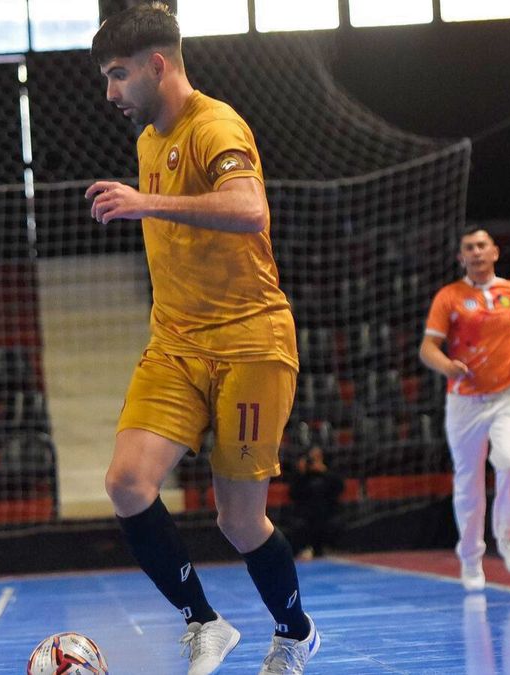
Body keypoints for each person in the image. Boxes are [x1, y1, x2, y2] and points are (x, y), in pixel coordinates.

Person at [85, 4, 318, 674]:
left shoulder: (215, 124)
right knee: (127, 481)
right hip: (176, 344)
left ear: (158, 65)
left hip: (250, 341)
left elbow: (250, 210)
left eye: (119, 75)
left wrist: (145, 202)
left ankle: (294, 631)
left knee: (239, 522)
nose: (111, 93)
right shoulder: (147, 139)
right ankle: (205, 623)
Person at [418, 227, 510, 592]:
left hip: (508, 394)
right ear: (461, 257)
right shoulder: (449, 297)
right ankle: (470, 557)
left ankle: (509, 535)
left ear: (495, 252)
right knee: (468, 482)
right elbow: (428, 349)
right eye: (469, 247)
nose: (476, 252)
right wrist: (447, 366)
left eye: (482, 246)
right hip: (464, 401)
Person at [286, 445, 345, 559]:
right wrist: (302, 473)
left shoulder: (329, 472)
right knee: (301, 523)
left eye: (318, 457)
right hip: (306, 513)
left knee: (333, 522)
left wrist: (324, 471)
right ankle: (305, 548)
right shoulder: (302, 476)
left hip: (327, 511)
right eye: (312, 458)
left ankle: (327, 547)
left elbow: (339, 487)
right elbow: (293, 494)